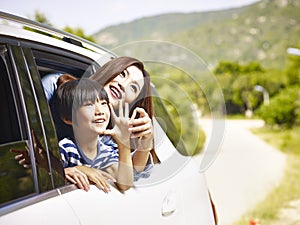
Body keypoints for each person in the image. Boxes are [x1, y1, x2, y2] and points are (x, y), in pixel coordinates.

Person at [56, 78, 134, 192]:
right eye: (89, 104)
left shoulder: (106, 151)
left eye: (103, 103)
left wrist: (124, 143)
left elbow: (125, 184)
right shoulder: (65, 149)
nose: (99, 111)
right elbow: (49, 179)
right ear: (69, 118)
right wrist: (75, 170)